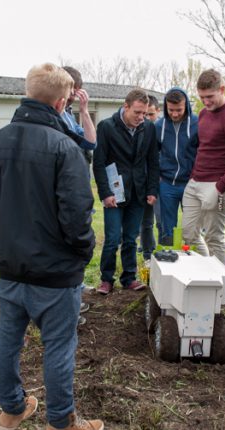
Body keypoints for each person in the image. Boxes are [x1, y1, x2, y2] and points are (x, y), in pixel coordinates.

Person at [0, 63, 102, 430]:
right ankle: (62, 421)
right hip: (56, 271)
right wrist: (82, 252)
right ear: (62, 102)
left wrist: (4, 236)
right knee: (59, 347)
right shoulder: (65, 147)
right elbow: (77, 213)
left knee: (8, 341)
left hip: (13, 265)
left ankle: (12, 407)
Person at [93, 89, 159, 295]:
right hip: (114, 192)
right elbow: (99, 162)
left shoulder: (148, 128)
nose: (141, 117)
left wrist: (151, 189)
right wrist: (105, 193)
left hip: (138, 192)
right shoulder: (106, 127)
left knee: (131, 238)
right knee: (113, 238)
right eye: (137, 112)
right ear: (126, 106)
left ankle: (129, 277)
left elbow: (152, 162)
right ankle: (106, 279)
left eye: (145, 113)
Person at [181, 69, 225, 266]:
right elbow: (203, 148)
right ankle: (206, 271)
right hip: (196, 181)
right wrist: (193, 177)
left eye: (210, 96)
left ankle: (220, 289)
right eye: (202, 97)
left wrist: (219, 189)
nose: (206, 102)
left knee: (214, 237)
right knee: (189, 233)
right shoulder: (203, 114)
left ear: (222, 89)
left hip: (219, 185)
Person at [60, 66, 96, 325]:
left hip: (79, 184)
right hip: (65, 188)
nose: (72, 95)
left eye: (75, 90)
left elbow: (91, 142)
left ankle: (75, 291)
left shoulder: (70, 115)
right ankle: (66, 306)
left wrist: (84, 111)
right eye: (69, 90)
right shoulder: (54, 116)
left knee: (79, 242)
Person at [154, 88, 198, 247]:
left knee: (192, 227)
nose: (174, 114)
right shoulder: (159, 126)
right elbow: (153, 153)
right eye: (170, 110)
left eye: (178, 109)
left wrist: (196, 175)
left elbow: (202, 152)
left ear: (186, 105)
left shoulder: (197, 123)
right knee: (168, 227)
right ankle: (169, 258)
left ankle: (192, 258)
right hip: (167, 184)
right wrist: (157, 174)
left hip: (190, 184)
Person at [138, 94, 162, 261]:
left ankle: (164, 254)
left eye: (150, 114)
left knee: (162, 222)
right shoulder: (139, 129)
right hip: (144, 182)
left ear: (158, 112)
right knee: (145, 223)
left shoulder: (162, 129)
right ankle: (148, 254)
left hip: (163, 182)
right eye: (144, 114)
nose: (146, 118)